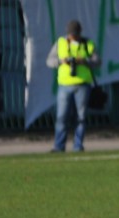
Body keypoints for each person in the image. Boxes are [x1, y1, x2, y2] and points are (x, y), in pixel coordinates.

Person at [46, 20, 99, 153]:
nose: (73, 37)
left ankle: (78, 145)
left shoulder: (88, 44)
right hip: (65, 84)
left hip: (82, 84)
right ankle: (59, 145)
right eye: (71, 34)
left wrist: (84, 61)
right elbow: (49, 61)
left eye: (75, 34)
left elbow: (97, 61)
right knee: (61, 117)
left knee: (80, 117)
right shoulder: (61, 43)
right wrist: (61, 61)